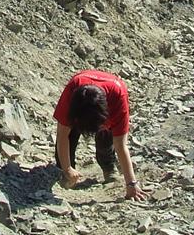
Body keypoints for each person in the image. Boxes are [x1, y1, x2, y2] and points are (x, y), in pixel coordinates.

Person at [53, 69, 147, 201]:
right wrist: (67, 168)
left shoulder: (118, 97)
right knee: (69, 138)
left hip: (108, 104)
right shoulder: (72, 91)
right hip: (79, 107)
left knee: (106, 140)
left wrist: (131, 184)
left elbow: (120, 145)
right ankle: (64, 174)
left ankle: (108, 168)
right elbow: (62, 135)